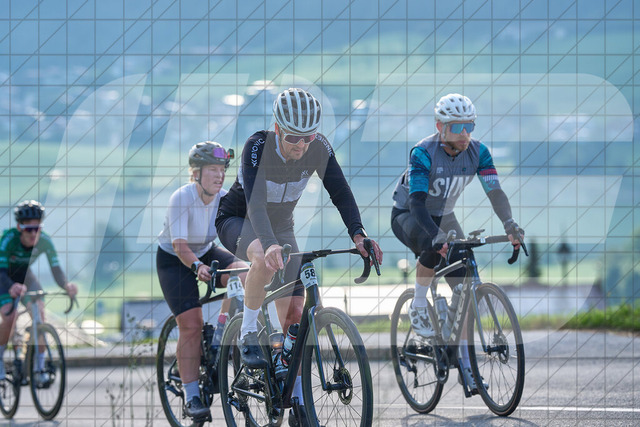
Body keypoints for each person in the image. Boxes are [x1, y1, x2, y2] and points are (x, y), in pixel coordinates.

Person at [216, 87, 383, 426]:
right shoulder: (257, 147)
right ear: (278, 129)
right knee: (261, 257)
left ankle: (292, 394)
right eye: (293, 137)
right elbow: (255, 204)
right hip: (239, 219)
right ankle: (248, 332)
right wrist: (267, 243)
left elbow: (340, 191)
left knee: (295, 314)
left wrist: (358, 233)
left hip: (281, 226)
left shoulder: (317, 148)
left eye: (308, 137)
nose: (301, 145)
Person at [391, 93, 524, 392]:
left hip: (445, 215)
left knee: (465, 288)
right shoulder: (423, 153)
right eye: (457, 127)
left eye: (470, 126)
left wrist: (509, 224)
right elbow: (417, 203)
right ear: (440, 127)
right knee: (430, 246)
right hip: (410, 214)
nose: (465, 134)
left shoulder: (479, 152)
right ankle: (418, 304)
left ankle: (464, 362)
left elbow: (495, 192)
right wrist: (435, 237)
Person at [156, 141, 248, 421]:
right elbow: (180, 245)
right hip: (175, 260)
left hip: (206, 251)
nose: (219, 175)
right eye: (212, 169)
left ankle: (224, 330)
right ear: (196, 173)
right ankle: (192, 395)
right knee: (192, 324)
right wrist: (197, 266)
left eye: (222, 169)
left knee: (243, 272)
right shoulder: (182, 198)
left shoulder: (224, 198)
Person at [0, 200, 78, 384]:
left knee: (40, 317)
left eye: (37, 228)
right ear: (19, 228)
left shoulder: (45, 241)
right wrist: (11, 286)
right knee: (10, 318)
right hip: (4, 279)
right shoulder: (9, 239)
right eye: (29, 229)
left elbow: (56, 269)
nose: (34, 233)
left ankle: (38, 369)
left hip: (26, 277)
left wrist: (66, 285)